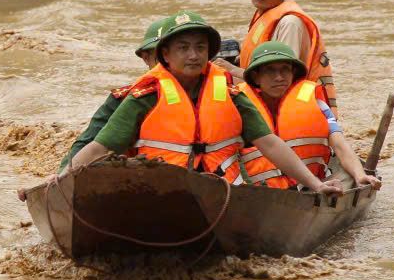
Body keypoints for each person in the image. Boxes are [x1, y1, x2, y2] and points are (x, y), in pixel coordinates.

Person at [63, 11, 346, 197]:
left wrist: (316, 185)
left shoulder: (233, 97)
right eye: (183, 48)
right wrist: (61, 179)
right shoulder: (143, 98)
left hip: (221, 195)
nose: (193, 55)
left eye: (200, 48)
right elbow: (99, 146)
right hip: (158, 193)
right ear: (165, 55)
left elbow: (270, 143)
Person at [237, 41, 380, 191]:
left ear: (293, 74)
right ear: (256, 77)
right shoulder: (239, 107)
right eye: (270, 70)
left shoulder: (317, 105)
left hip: (312, 187)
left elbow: (339, 144)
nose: (279, 77)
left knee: (347, 178)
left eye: (285, 70)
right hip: (257, 191)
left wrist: (359, 175)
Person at [213, 0, 339, 116]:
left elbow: (282, 81)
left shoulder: (290, 23)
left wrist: (232, 70)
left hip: (295, 111)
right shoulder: (263, 14)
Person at [57, 16, 167, 171]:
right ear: (146, 58)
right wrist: (62, 175)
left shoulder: (210, 93)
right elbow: (87, 141)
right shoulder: (126, 98)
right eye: (162, 58)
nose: (170, 65)